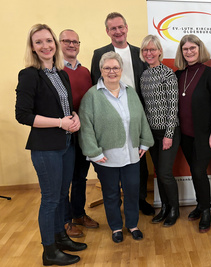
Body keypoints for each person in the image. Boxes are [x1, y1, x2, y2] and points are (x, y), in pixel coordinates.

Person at [15, 24, 87, 266]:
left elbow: (65, 108)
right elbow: (23, 115)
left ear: (54, 44)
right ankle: (49, 251)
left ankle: (61, 237)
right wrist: (60, 123)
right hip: (46, 148)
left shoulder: (61, 73)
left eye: (48, 41)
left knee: (60, 195)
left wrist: (74, 116)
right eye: (39, 42)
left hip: (66, 143)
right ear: (33, 48)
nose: (45, 46)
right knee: (50, 199)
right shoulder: (29, 75)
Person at [79, 51, 154, 243]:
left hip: (132, 154)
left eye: (116, 67)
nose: (112, 71)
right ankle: (115, 227)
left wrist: (145, 141)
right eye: (107, 68)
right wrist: (93, 153)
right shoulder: (92, 96)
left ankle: (132, 224)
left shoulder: (130, 92)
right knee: (110, 194)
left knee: (132, 191)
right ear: (101, 70)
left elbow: (141, 119)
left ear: (121, 70)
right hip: (106, 156)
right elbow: (86, 127)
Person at [90, 12, 154, 216]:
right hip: (110, 113)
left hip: (135, 112)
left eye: (121, 27)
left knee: (138, 159)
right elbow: (95, 83)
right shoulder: (99, 53)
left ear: (126, 28)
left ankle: (140, 198)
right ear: (107, 31)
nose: (118, 31)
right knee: (112, 159)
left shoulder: (138, 52)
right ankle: (114, 200)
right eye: (113, 28)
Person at [174, 34, 211, 233]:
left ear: (199, 49)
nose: (189, 52)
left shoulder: (210, 74)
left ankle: (205, 211)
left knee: (198, 171)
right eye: (185, 49)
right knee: (196, 172)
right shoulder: (179, 75)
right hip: (186, 136)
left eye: (192, 48)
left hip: (205, 135)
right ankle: (200, 204)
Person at [59, 29, 99, 238]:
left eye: (75, 41)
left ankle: (78, 214)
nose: (72, 45)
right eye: (67, 41)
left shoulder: (84, 72)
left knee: (80, 177)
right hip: (63, 133)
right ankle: (65, 221)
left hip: (83, 133)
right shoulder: (55, 71)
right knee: (65, 179)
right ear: (59, 44)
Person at [139, 35, 181, 227]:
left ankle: (174, 209)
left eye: (152, 49)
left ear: (159, 51)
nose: (149, 53)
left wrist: (168, 135)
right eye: (145, 50)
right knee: (158, 172)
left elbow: (174, 107)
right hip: (152, 133)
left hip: (168, 131)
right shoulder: (144, 75)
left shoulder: (168, 74)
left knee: (165, 173)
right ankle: (164, 207)